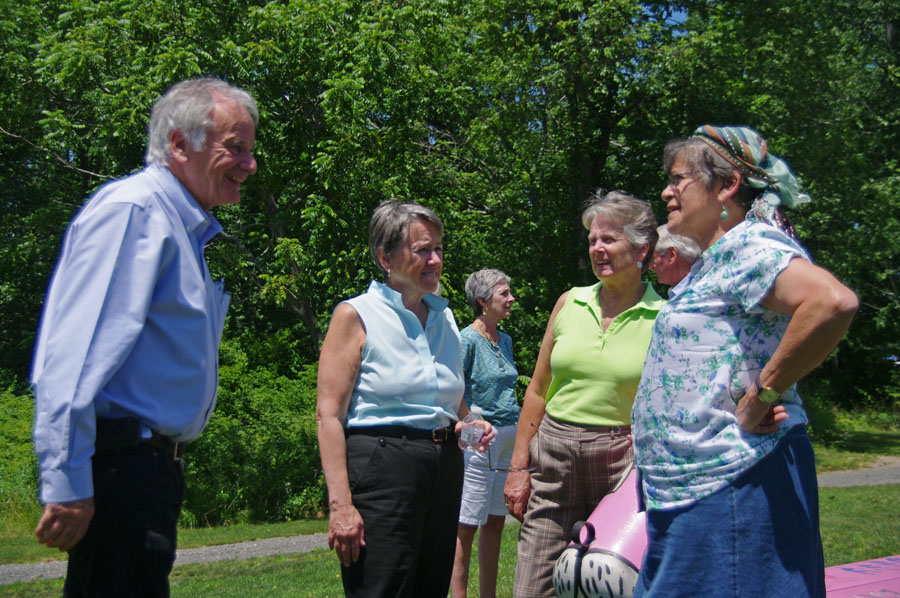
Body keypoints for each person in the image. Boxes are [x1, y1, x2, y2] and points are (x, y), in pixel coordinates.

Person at [30, 78, 259, 597]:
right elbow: (74, 356)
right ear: (180, 144)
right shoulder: (136, 212)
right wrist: (67, 484)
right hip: (118, 472)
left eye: (251, 150)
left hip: (146, 472)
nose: (250, 164)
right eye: (236, 148)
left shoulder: (181, 227)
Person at [631, 125, 859, 598]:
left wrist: (765, 392)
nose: (665, 191)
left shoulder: (749, 246)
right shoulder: (716, 260)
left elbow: (831, 302)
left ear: (727, 185)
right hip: (700, 490)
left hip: (736, 486)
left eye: (678, 179)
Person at [316, 201, 494, 598]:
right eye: (423, 250)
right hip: (383, 464)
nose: (436, 260)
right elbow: (328, 416)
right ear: (385, 257)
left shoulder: (446, 317)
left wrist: (468, 420)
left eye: (439, 249)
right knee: (382, 589)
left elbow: (449, 397)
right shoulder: (355, 316)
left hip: (445, 466)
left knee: (431, 588)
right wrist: (340, 506)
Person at [503, 191, 665, 598]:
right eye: (593, 240)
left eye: (609, 239)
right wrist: (518, 467)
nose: (597, 248)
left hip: (622, 460)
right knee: (531, 589)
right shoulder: (569, 303)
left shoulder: (666, 316)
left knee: (612, 587)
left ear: (642, 247)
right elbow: (538, 390)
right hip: (554, 456)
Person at [451, 269, 520, 598]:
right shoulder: (467, 339)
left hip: (509, 435)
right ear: (482, 301)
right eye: (504, 294)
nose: (511, 299)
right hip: (479, 439)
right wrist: (468, 424)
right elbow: (452, 388)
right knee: (466, 525)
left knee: (495, 521)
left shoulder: (504, 339)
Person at [649, 224, 700, 290]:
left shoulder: (698, 293)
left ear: (672, 255)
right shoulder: (703, 283)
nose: (651, 267)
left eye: (653, 258)